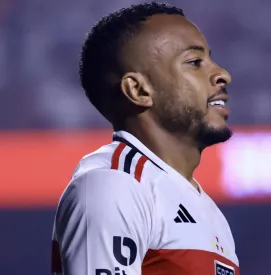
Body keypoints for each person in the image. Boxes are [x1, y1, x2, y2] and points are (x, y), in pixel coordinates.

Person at [51, 2, 239, 275]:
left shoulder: (205, 207)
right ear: (138, 90)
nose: (223, 74)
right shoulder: (114, 186)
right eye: (195, 63)